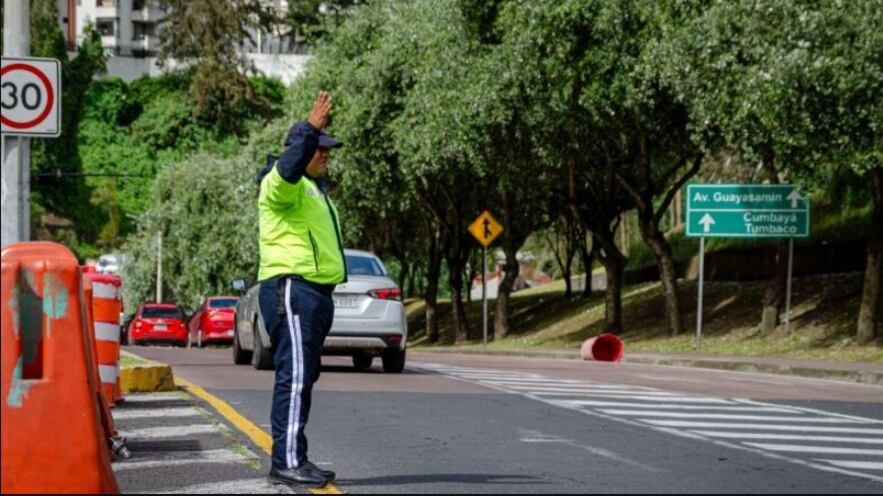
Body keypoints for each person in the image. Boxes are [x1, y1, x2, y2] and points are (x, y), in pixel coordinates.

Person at [256, 91, 346, 488]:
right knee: (293, 377)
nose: (325, 154)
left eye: (326, 149)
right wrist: (311, 127)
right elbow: (290, 166)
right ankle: (286, 462)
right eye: (319, 148)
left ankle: (295, 456)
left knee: (303, 377)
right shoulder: (280, 184)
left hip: (314, 295)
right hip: (292, 290)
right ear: (299, 149)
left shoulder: (313, 191)